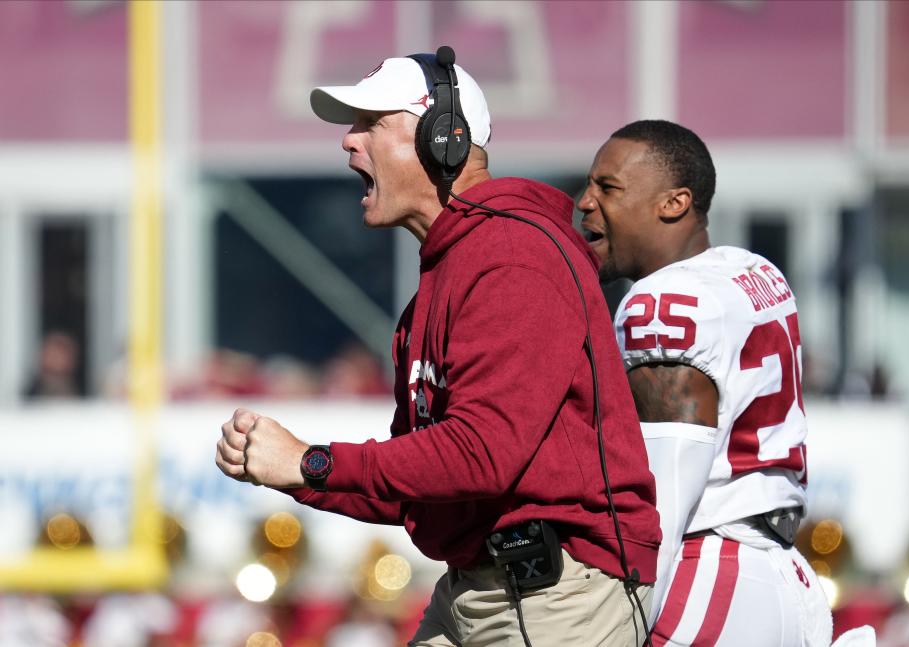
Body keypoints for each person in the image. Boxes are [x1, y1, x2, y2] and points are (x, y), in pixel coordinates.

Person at [215, 48, 661, 646]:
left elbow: (484, 451)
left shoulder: (512, 254)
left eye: (370, 124)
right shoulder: (447, 273)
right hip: (484, 589)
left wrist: (310, 458)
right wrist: (296, 473)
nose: (349, 142)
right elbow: (419, 478)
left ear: (442, 138)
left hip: (555, 598)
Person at [578, 120, 834, 646]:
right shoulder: (750, 270)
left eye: (608, 188)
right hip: (782, 574)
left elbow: (662, 504)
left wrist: (618, 626)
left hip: (707, 575)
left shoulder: (660, 303)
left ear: (673, 203)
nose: (585, 203)